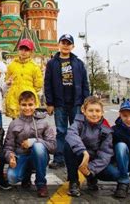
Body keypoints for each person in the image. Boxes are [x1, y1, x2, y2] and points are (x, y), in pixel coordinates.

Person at [44, 34, 90, 169]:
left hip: (76, 103)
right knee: (61, 131)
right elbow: (48, 84)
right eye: (63, 42)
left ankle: (77, 156)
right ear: (59, 44)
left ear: (72, 46)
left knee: (76, 131)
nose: (65, 45)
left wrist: (86, 103)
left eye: (68, 43)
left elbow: (84, 84)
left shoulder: (78, 63)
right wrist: (50, 103)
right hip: (59, 103)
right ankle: (59, 158)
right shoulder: (52, 63)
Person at [64, 96, 120, 197]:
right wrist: (84, 152)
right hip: (81, 156)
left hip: (95, 160)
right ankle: (73, 181)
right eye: (90, 110)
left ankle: (91, 177)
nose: (94, 114)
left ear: (102, 112)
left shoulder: (106, 130)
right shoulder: (78, 123)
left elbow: (105, 154)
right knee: (68, 144)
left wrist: (90, 169)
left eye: (97, 111)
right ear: (83, 111)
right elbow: (71, 134)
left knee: (114, 174)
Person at [3, 91, 56, 197]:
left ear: (35, 104)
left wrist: (33, 142)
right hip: (21, 156)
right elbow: (8, 147)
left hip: (39, 155)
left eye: (30, 105)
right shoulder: (14, 124)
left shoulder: (44, 122)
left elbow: (53, 146)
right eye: (24, 105)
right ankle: (26, 175)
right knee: (12, 178)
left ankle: (41, 184)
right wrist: (10, 157)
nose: (27, 108)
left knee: (38, 147)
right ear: (19, 105)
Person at [5, 39, 43, 119]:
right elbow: (7, 78)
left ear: (31, 52)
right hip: (14, 99)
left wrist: (29, 90)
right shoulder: (12, 65)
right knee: (16, 123)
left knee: (29, 122)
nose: (23, 52)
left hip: (29, 99)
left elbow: (38, 84)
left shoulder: (34, 67)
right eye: (21, 49)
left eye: (26, 50)